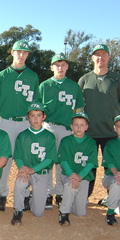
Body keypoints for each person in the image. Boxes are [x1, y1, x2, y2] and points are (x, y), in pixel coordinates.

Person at [78, 44, 120, 200]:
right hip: (89, 132)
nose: (100, 57)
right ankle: (83, 196)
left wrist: (113, 118)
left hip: (110, 132)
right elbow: (78, 103)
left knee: (112, 166)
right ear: (92, 58)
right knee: (88, 166)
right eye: (97, 55)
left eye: (104, 54)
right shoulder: (85, 79)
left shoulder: (117, 79)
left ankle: (112, 197)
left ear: (108, 57)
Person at [0, 40, 39, 212]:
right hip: (7, 122)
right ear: (12, 52)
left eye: (24, 52)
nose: (21, 54)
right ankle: (2, 194)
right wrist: (3, 112)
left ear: (27, 55)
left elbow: (35, 99)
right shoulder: (2, 75)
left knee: (26, 158)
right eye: (18, 51)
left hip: (25, 122)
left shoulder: (33, 76)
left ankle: (25, 195)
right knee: (5, 159)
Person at [39, 54, 85, 209]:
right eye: (57, 65)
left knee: (62, 162)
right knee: (47, 162)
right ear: (52, 67)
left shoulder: (74, 86)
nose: (60, 67)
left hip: (66, 128)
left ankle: (59, 193)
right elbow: (37, 108)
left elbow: (79, 107)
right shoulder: (44, 85)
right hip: (49, 126)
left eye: (63, 64)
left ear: (67, 67)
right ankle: (46, 194)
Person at [10, 102, 57, 226]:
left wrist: (32, 169)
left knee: (38, 212)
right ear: (28, 118)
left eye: (39, 115)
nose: (36, 119)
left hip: (41, 173)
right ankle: (18, 211)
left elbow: (49, 160)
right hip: (26, 172)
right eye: (32, 115)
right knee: (20, 183)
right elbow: (18, 156)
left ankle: (31, 199)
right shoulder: (23, 135)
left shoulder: (49, 136)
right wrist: (23, 170)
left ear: (44, 117)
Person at [57, 112, 97, 226]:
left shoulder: (91, 142)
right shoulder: (66, 141)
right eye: (76, 125)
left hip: (83, 177)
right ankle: (63, 213)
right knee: (70, 185)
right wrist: (72, 175)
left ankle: (68, 200)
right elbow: (63, 161)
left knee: (80, 212)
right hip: (68, 176)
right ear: (71, 126)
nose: (79, 128)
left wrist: (80, 176)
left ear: (86, 127)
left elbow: (91, 163)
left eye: (82, 125)